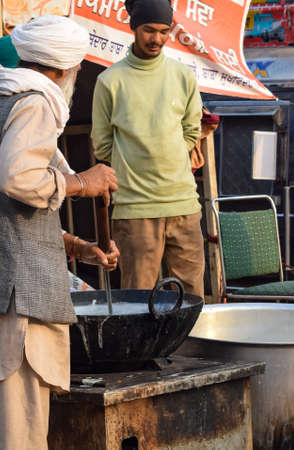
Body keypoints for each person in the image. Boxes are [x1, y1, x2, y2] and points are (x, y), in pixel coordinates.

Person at [0, 15, 120, 449]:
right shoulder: (36, 101)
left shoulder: (8, 96)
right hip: (21, 302)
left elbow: (12, 217)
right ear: (65, 68)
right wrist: (80, 182)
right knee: (21, 431)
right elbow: (16, 179)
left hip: (15, 288)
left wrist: (78, 247)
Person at [91, 0, 204, 297]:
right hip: (134, 210)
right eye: (149, 30)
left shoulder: (183, 76)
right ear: (133, 27)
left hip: (184, 206)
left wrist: (173, 155)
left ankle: (195, 347)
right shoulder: (109, 81)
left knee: (192, 299)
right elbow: (101, 145)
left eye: (164, 31)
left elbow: (193, 129)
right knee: (138, 302)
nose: (156, 39)